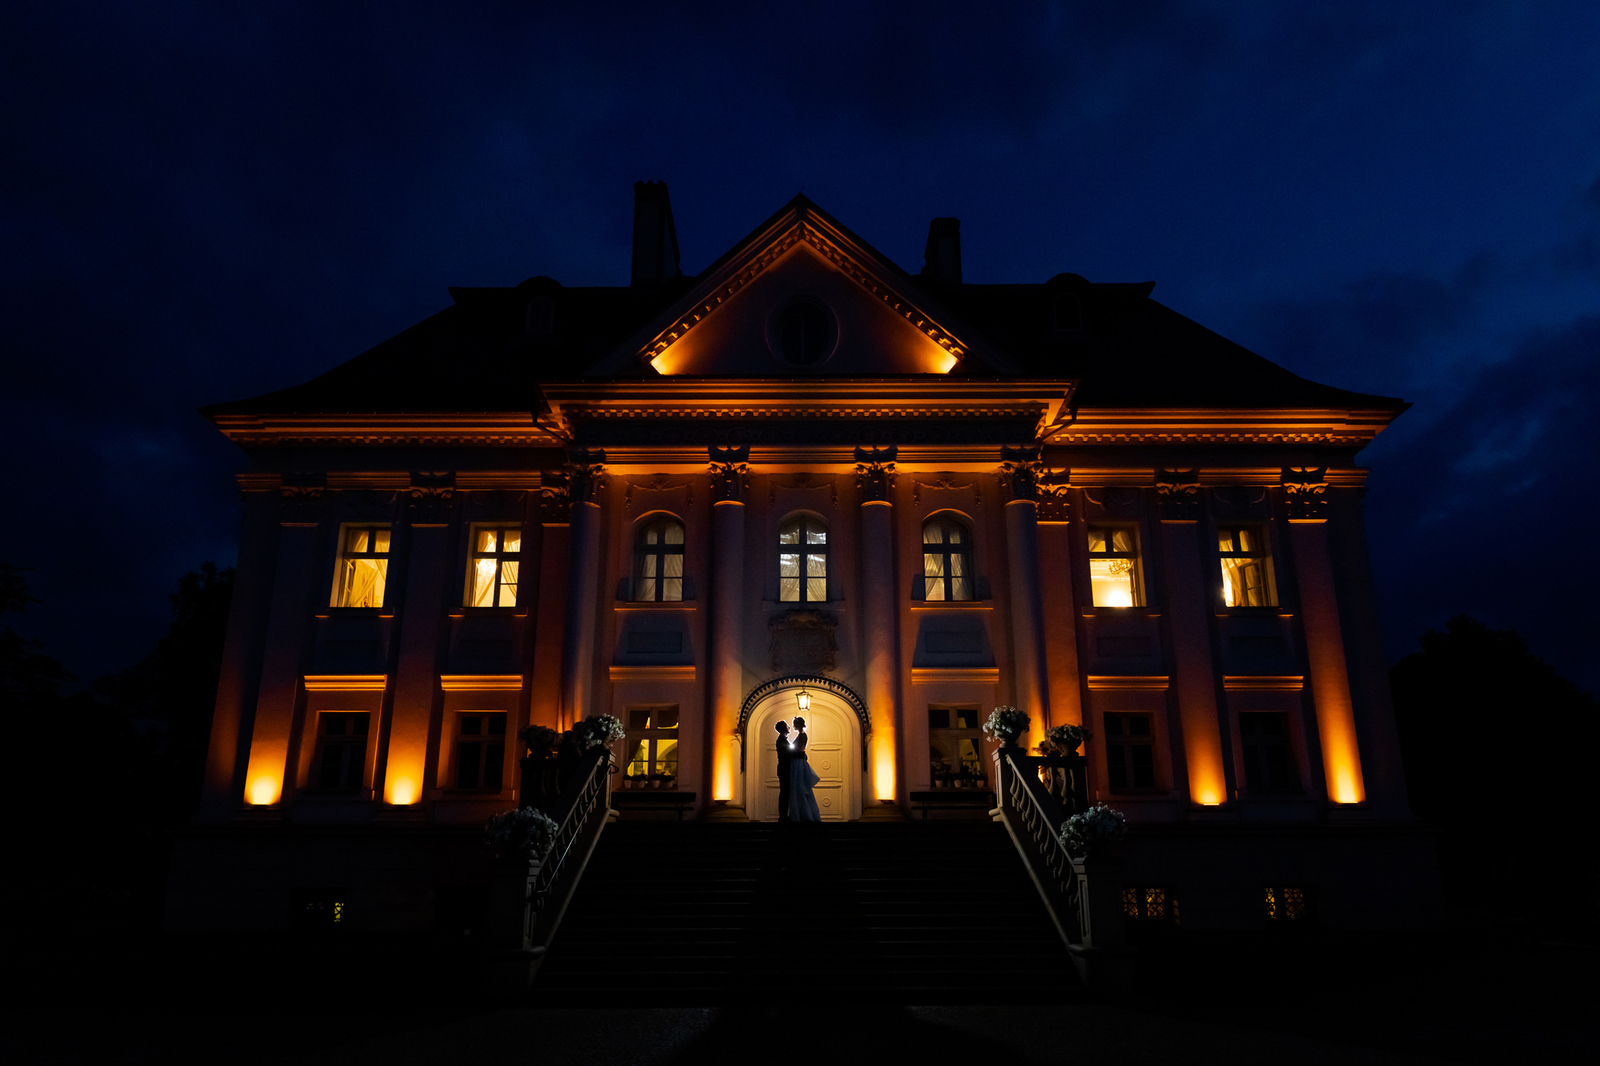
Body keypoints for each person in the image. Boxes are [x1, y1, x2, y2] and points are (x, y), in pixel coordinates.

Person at [789, 716, 822, 822]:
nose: (793, 726)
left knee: (800, 787)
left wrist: (789, 752)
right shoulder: (801, 735)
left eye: (794, 724)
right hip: (798, 762)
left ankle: (803, 813)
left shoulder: (802, 735)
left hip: (798, 764)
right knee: (799, 787)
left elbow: (798, 749)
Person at [774, 719, 794, 822]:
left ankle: (785, 814)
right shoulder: (781, 740)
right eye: (787, 726)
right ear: (782, 728)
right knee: (784, 792)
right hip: (784, 769)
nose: (789, 727)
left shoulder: (784, 739)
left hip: (785, 769)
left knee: (786, 792)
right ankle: (783, 816)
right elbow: (787, 754)